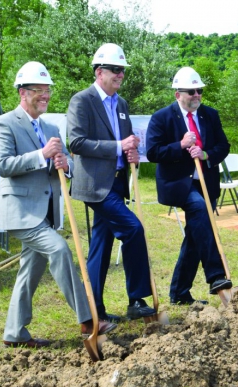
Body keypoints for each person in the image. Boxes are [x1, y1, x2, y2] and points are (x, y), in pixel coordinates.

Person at [0, 61, 116, 348]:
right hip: (20, 212)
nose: (45, 95)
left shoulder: (50, 126)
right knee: (59, 249)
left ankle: (14, 332)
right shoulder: (5, 123)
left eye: (47, 90)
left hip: (44, 212)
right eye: (38, 90)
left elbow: (63, 163)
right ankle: (88, 318)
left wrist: (64, 164)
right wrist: (41, 155)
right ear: (22, 92)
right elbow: (3, 165)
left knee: (29, 270)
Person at [66, 43, 156, 322]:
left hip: (117, 182)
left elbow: (125, 143)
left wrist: (131, 152)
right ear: (98, 71)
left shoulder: (123, 104)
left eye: (122, 70)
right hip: (96, 186)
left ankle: (94, 310)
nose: (120, 75)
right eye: (115, 70)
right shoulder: (82, 100)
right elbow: (76, 142)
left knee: (100, 247)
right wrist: (119, 146)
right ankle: (137, 299)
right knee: (133, 229)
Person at [146, 67, 233, 305]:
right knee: (199, 211)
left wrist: (205, 155)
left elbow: (223, 146)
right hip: (178, 184)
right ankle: (216, 275)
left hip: (207, 181)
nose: (196, 95)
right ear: (178, 95)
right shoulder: (162, 117)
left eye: (199, 91)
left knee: (196, 235)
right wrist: (181, 145)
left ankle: (179, 293)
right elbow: (153, 152)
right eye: (191, 91)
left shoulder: (210, 115)